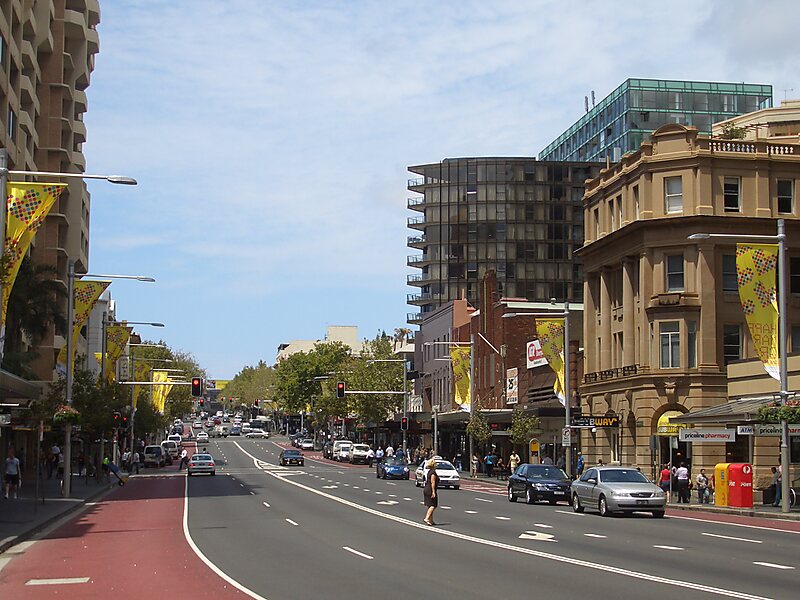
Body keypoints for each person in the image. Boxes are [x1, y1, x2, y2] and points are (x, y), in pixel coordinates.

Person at [422, 458, 439, 526]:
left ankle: (431, 520)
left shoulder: (429, 471)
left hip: (426, 489)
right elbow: (433, 482)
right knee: (433, 505)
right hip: (430, 489)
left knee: (429, 504)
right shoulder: (433, 473)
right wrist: (433, 492)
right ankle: (426, 518)